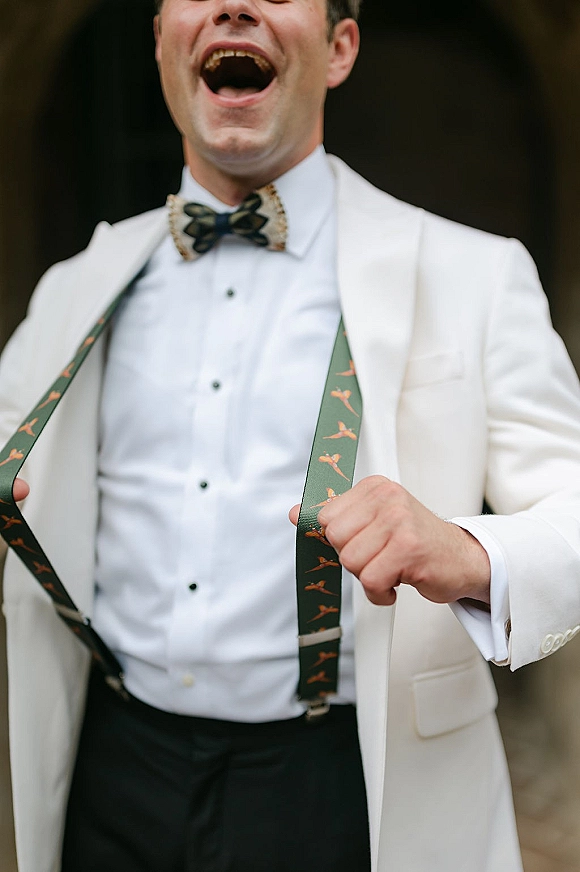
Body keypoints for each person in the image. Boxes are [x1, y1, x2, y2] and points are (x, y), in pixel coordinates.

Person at [1, 0, 580, 870]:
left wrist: (469, 550)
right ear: (162, 41)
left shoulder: (475, 274)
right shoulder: (73, 287)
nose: (235, 4)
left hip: (345, 782)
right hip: (110, 771)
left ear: (341, 47)